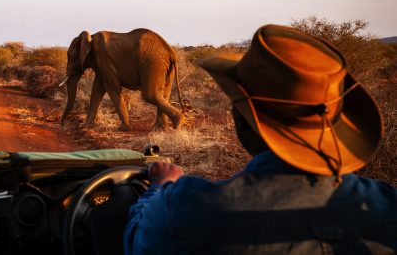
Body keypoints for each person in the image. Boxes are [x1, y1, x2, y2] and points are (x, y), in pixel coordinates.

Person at [124, 24, 397, 254]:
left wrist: (158, 188)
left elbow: (138, 242)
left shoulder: (187, 209)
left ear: (242, 122)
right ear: (334, 126)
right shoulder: (386, 207)